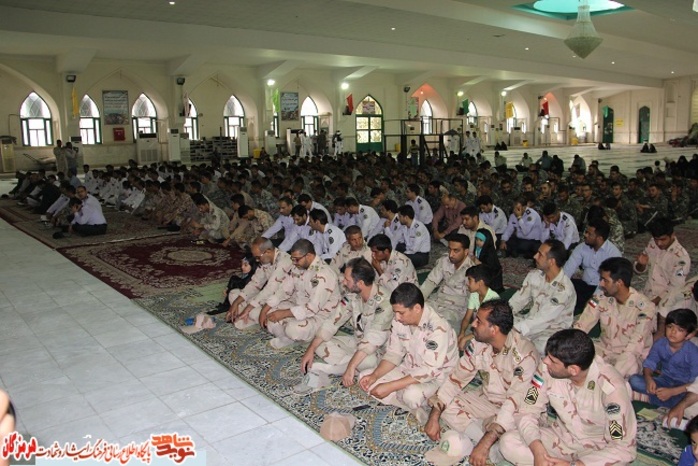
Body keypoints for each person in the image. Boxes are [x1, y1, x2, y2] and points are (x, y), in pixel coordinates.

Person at [424, 299, 539, 466]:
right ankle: (489, 441)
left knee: (511, 441)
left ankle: (485, 436)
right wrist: (434, 416)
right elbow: (456, 379)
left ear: (494, 329)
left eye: (479, 321)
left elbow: (514, 403)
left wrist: (486, 442)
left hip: (516, 410)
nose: (473, 324)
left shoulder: (524, 356)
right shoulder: (479, 343)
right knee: (444, 405)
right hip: (487, 400)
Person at [499, 329, 637, 466]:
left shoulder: (611, 388)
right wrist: (538, 451)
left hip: (597, 451)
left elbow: (623, 448)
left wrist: (576, 465)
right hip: (562, 439)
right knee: (509, 442)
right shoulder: (547, 369)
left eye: (552, 360)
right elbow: (527, 410)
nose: (545, 361)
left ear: (573, 370)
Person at [358, 283, 458, 423]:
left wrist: (391, 386)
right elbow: (394, 354)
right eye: (395, 312)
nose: (397, 317)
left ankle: (422, 397)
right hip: (409, 369)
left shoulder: (438, 328)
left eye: (401, 313)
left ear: (416, 308)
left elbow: (429, 371)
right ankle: (411, 407)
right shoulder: (400, 321)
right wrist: (375, 375)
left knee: (411, 395)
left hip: (435, 378)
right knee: (365, 378)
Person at [296, 258, 393, 393]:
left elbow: (372, 341)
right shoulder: (353, 295)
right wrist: (310, 349)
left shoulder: (385, 302)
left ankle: (330, 369)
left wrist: (351, 366)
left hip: (377, 352)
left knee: (368, 361)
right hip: (357, 343)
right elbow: (332, 321)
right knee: (319, 343)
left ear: (360, 283)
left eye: (347, 280)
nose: (343, 282)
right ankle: (351, 366)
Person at [573, 257, 656, 378]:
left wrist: (612, 375)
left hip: (628, 357)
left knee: (626, 368)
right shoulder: (600, 299)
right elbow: (581, 326)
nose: (601, 284)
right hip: (604, 350)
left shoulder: (645, 308)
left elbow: (634, 348)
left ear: (619, 283)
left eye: (605, 280)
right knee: (575, 356)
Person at [256, 239, 341, 349]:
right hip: (298, 306)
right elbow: (283, 290)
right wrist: (265, 309)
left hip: (319, 315)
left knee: (292, 329)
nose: (294, 263)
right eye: (292, 259)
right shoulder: (299, 266)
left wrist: (284, 313)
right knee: (269, 314)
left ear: (308, 256)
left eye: (296, 259)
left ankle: (296, 336)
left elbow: (312, 308)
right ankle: (286, 338)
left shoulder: (323, 274)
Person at [509, 239, 576, 354]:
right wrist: (502, 314)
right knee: (498, 322)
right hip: (531, 320)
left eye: (540, 254)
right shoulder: (535, 275)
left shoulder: (564, 289)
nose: (535, 256)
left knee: (541, 349)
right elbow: (518, 300)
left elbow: (544, 318)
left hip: (551, 331)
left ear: (551, 261)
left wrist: (516, 329)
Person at [629, 308, 698, 408]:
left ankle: (647, 398)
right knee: (634, 380)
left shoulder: (693, 352)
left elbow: (695, 383)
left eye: (680, 330)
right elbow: (649, 363)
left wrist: (672, 391)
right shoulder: (660, 344)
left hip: (682, 387)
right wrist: (648, 379)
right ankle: (658, 399)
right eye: (670, 327)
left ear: (689, 335)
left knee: (686, 401)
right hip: (664, 381)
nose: (673, 332)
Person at [227, 237, 294, 327]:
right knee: (233, 294)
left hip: (283, 300)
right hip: (268, 297)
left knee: (255, 312)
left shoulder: (284, 262)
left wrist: (248, 308)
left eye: (258, 257)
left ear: (268, 252)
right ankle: (246, 317)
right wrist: (236, 303)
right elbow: (255, 283)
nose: (257, 260)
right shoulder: (266, 260)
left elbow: (270, 289)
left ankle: (248, 316)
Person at [564, 218, 621, 310]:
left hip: (603, 291)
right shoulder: (582, 247)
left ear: (599, 238)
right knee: (565, 292)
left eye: (589, 234)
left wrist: (593, 299)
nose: (585, 235)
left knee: (593, 307)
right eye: (586, 232)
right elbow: (568, 269)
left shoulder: (613, 254)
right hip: (584, 286)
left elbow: (608, 284)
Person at [420, 233, 475, 330]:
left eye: (456, 250)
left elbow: (473, 298)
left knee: (437, 323)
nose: (451, 254)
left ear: (466, 252)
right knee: (416, 312)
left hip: (455, 309)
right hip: (437, 300)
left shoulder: (472, 270)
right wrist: (418, 301)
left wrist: (470, 318)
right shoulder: (444, 261)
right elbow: (430, 282)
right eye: (450, 249)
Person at [634, 218, 691, 308]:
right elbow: (638, 270)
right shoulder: (653, 243)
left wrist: (651, 304)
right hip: (648, 294)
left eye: (663, 239)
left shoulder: (681, 258)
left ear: (672, 235)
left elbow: (675, 288)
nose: (659, 243)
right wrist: (641, 264)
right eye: (656, 239)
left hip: (667, 302)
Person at [457, 264, 500, 351]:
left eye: (470, 280)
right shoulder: (474, 294)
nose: (467, 284)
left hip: (487, 333)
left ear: (480, 283)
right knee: (448, 327)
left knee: (470, 345)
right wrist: (462, 333)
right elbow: (467, 318)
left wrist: (465, 338)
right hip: (475, 328)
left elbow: (487, 329)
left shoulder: (493, 299)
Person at [472, 228, 503, 292]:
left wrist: (480, 264)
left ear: (486, 241)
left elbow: (492, 268)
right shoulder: (477, 249)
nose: (478, 242)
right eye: (477, 239)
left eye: (481, 240)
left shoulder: (490, 252)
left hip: (493, 278)